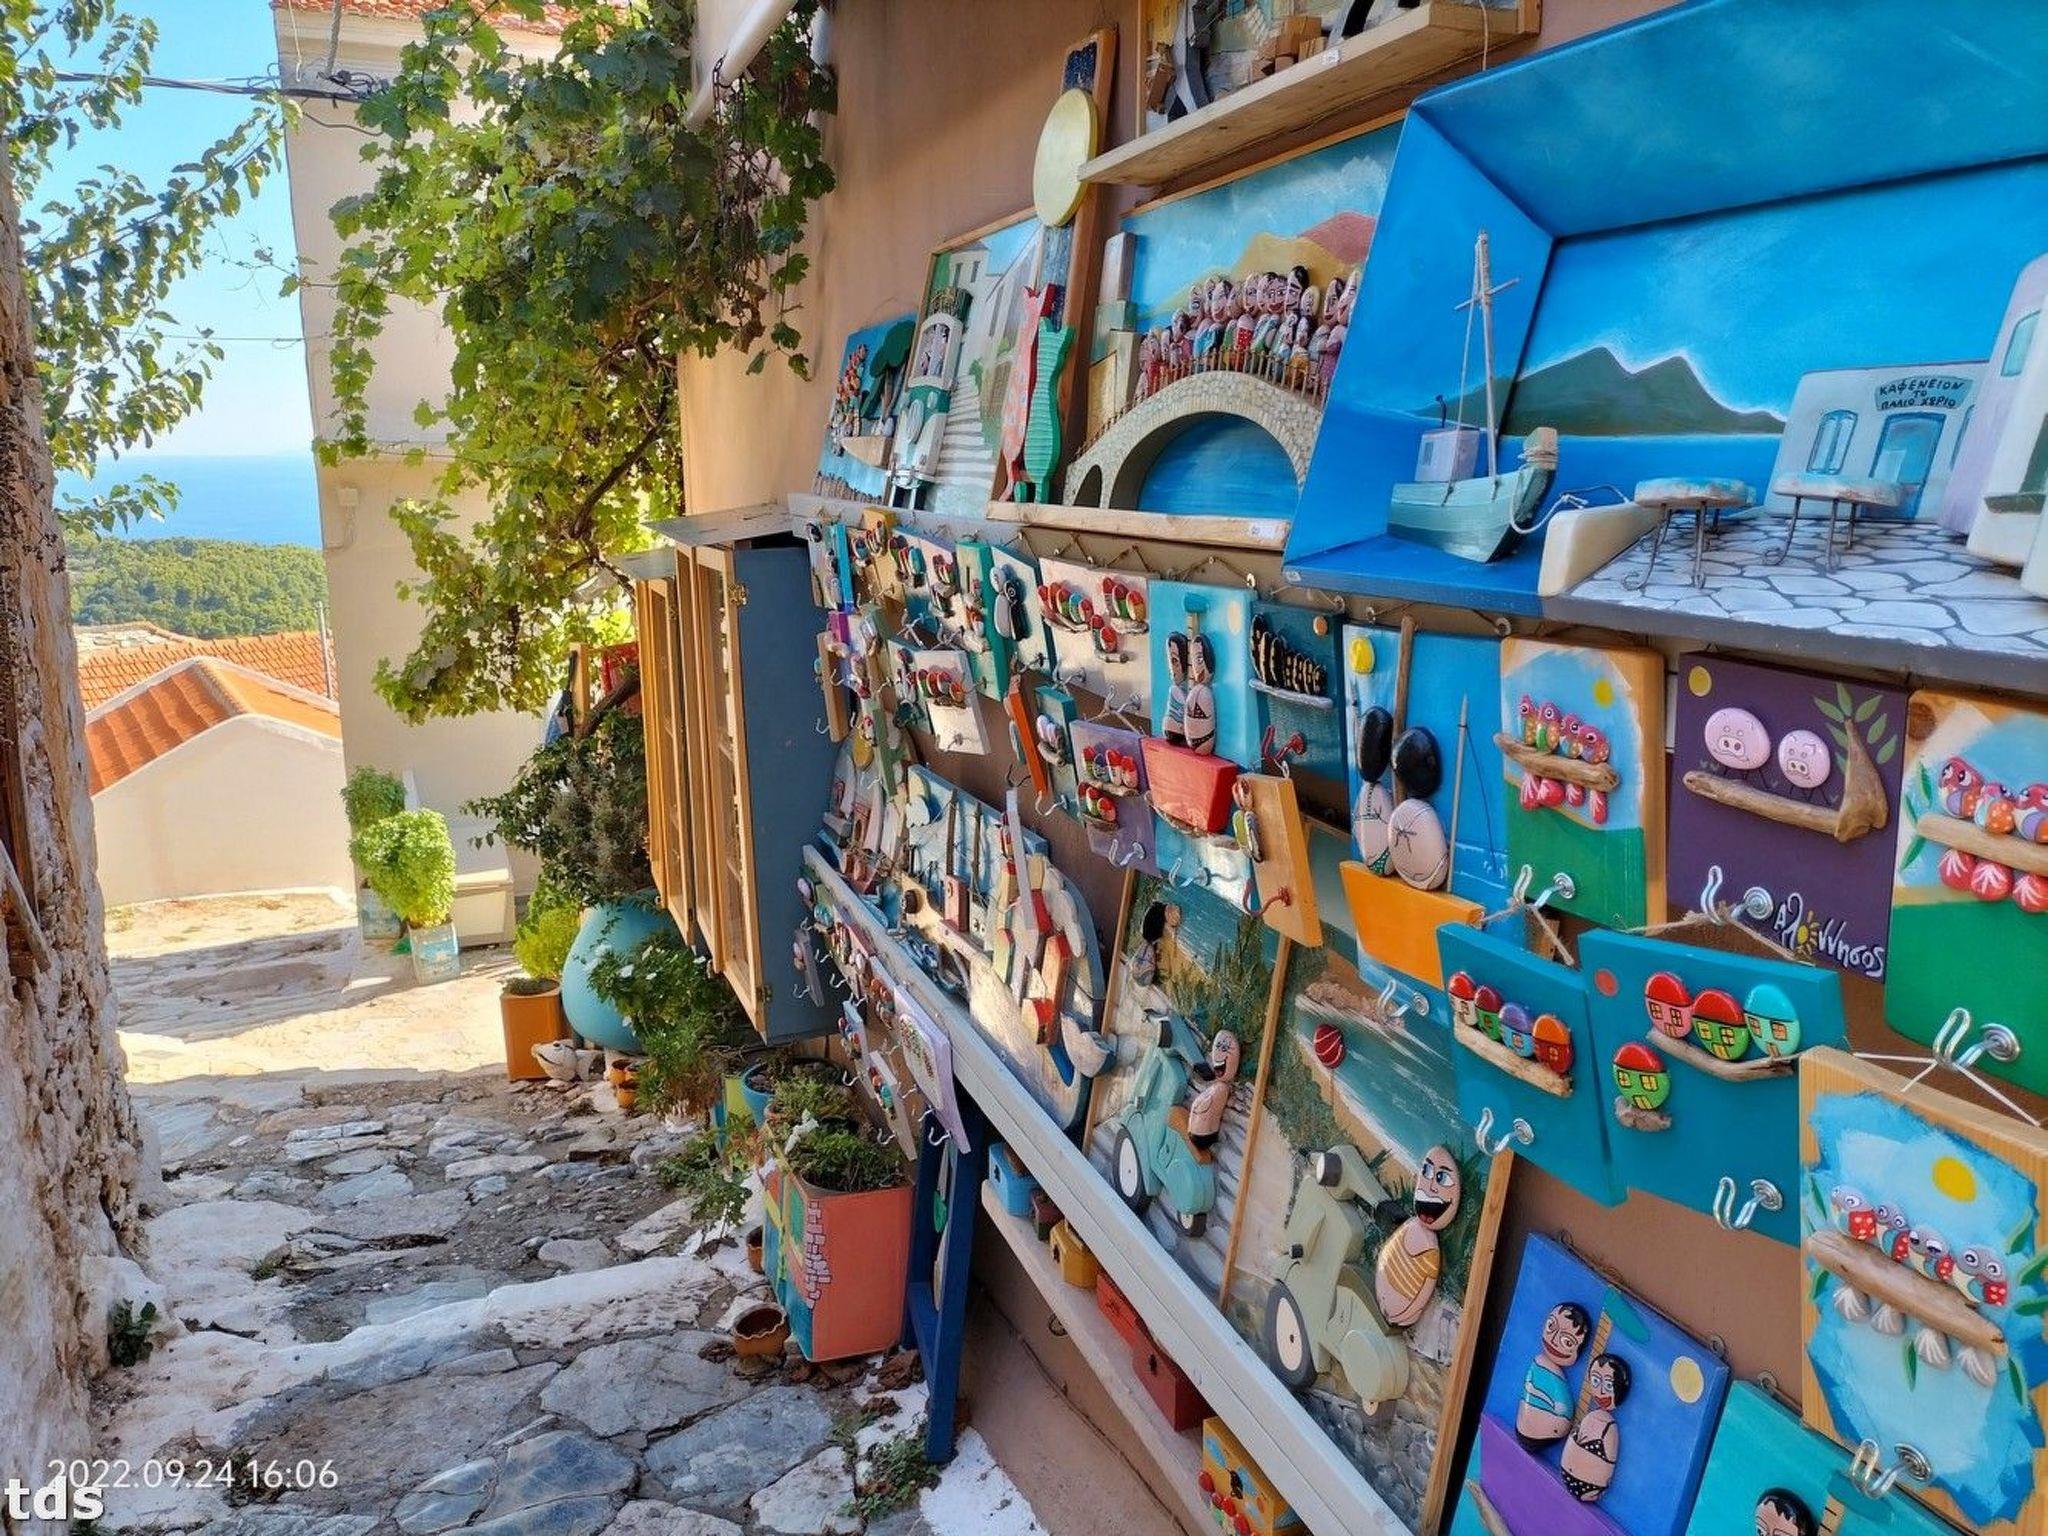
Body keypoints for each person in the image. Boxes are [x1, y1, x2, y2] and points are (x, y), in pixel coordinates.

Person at [1516, 1300, 1590, 1446]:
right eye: (1551, 1326)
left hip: (1555, 1424)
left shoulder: (1541, 1365)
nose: (1554, 1340)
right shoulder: (1540, 1365)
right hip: (1540, 1425)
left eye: (1567, 1341)